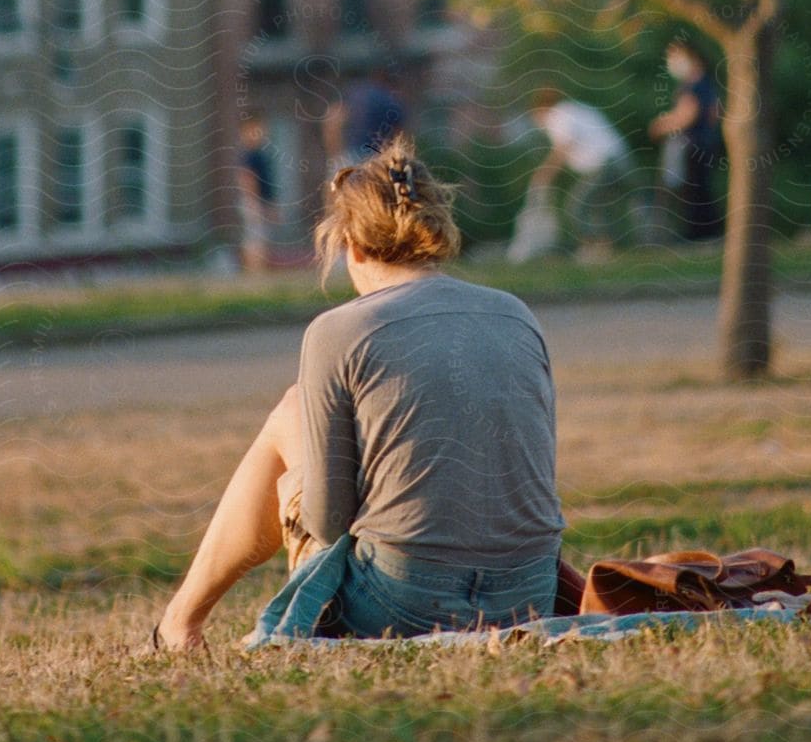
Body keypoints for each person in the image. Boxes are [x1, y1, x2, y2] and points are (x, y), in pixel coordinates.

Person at [155, 136, 564, 647]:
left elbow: (327, 522)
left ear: (351, 244)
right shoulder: (514, 312)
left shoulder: (340, 329)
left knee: (290, 411)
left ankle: (180, 622)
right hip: (529, 594)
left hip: (403, 604)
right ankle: (180, 620)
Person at [526, 88, 636, 259]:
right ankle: (605, 248)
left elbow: (563, 148)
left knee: (577, 205)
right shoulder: (575, 109)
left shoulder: (558, 115)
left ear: (540, 110)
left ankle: (593, 248)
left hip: (605, 164)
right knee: (598, 206)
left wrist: (543, 174)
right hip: (619, 161)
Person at [648, 42, 723, 241]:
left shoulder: (695, 85)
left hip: (694, 144)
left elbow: (689, 114)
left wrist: (662, 125)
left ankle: (700, 235)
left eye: (677, 56)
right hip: (704, 143)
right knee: (699, 190)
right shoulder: (703, 83)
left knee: (695, 192)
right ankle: (707, 233)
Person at [322, 67, 407, 171]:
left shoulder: (351, 93)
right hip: (378, 158)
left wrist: (335, 154)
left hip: (349, 156)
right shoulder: (390, 99)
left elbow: (333, 123)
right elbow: (400, 136)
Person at [238, 115, 278, 274]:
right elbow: (247, 178)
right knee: (255, 238)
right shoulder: (250, 154)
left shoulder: (259, 153)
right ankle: (254, 271)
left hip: (259, 201)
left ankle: (257, 270)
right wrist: (254, 202)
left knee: (259, 237)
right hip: (254, 201)